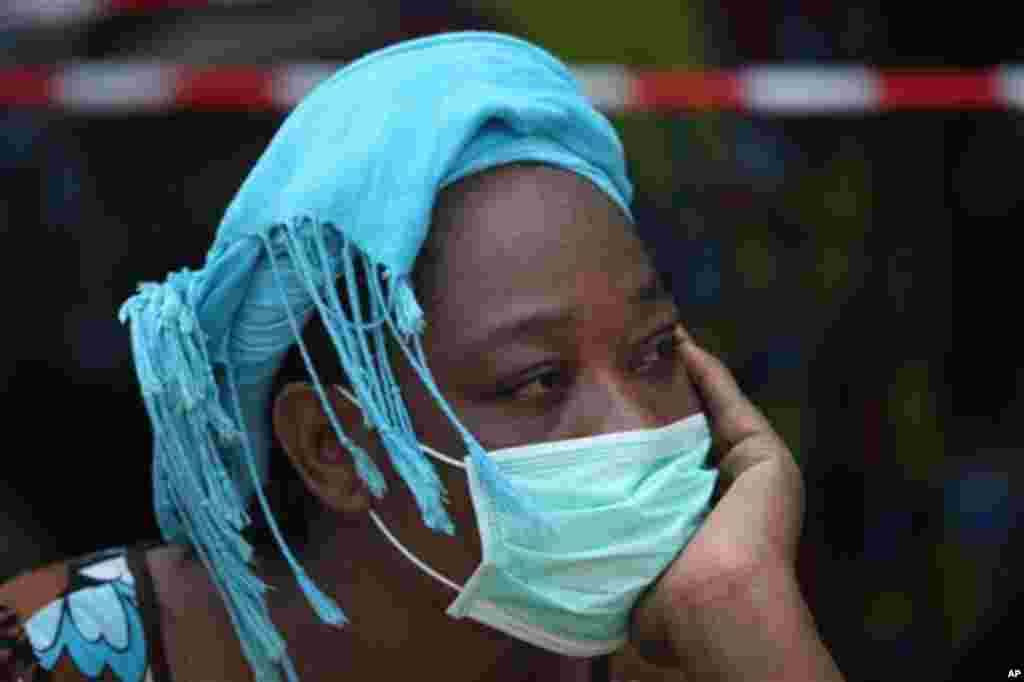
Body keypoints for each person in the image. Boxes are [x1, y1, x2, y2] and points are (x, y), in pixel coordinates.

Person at [0, 32, 844, 682]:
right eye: (538, 381)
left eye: (655, 352)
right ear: (334, 446)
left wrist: (750, 626)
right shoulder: (57, 657)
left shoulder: (700, 640)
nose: (631, 429)